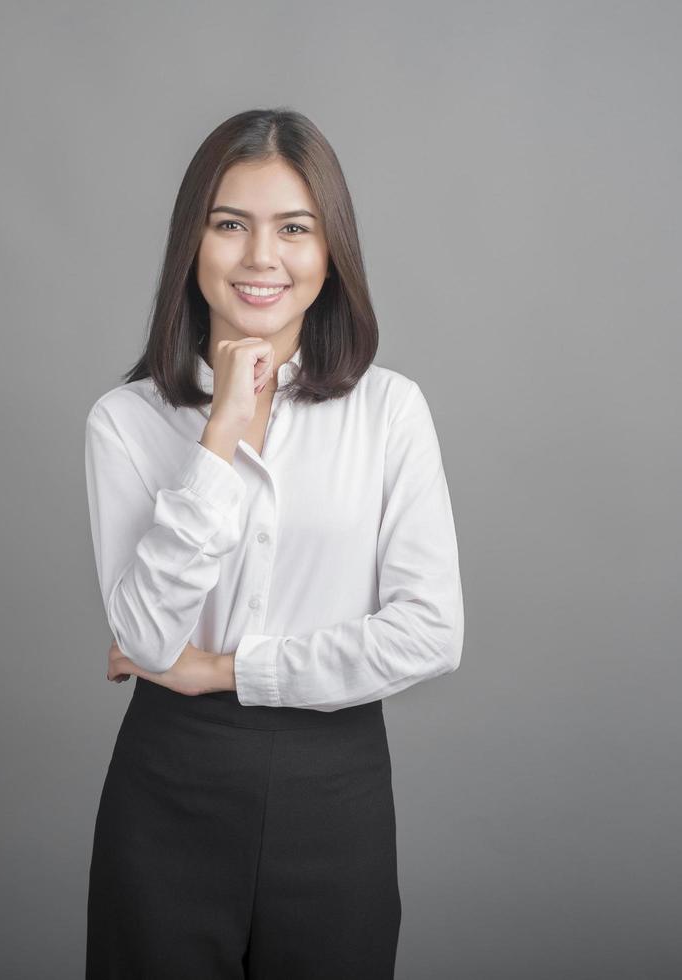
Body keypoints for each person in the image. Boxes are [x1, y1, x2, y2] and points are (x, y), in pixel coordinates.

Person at [82, 107, 465, 979]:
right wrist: (221, 435)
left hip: (334, 790)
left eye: (294, 228)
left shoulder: (388, 411)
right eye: (231, 225)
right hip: (169, 784)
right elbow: (144, 639)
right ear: (194, 242)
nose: (262, 258)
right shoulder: (128, 422)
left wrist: (225, 669)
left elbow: (431, 631)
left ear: (331, 254)